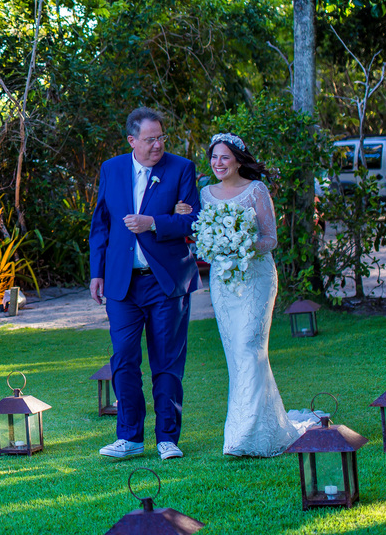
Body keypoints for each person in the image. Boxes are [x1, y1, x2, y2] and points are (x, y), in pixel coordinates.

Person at [175, 133, 313, 456]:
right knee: (236, 355)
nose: (218, 163)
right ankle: (264, 427)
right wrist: (203, 233)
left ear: (238, 160)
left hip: (257, 280)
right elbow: (196, 232)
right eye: (214, 158)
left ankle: (241, 436)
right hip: (223, 284)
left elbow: (271, 239)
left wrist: (244, 244)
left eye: (225, 157)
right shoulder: (205, 194)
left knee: (251, 348)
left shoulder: (256, 191)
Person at [89, 107, 201, 460]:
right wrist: (97, 272)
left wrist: (153, 222)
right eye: (150, 139)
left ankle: (167, 438)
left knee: (166, 360)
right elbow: (101, 224)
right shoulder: (112, 168)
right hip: (122, 283)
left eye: (161, 138)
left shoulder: (181, 169)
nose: (158, 145)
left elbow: (194, 221)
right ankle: (130, 438)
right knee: (123, 358)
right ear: (132, 140)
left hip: (166, 282)